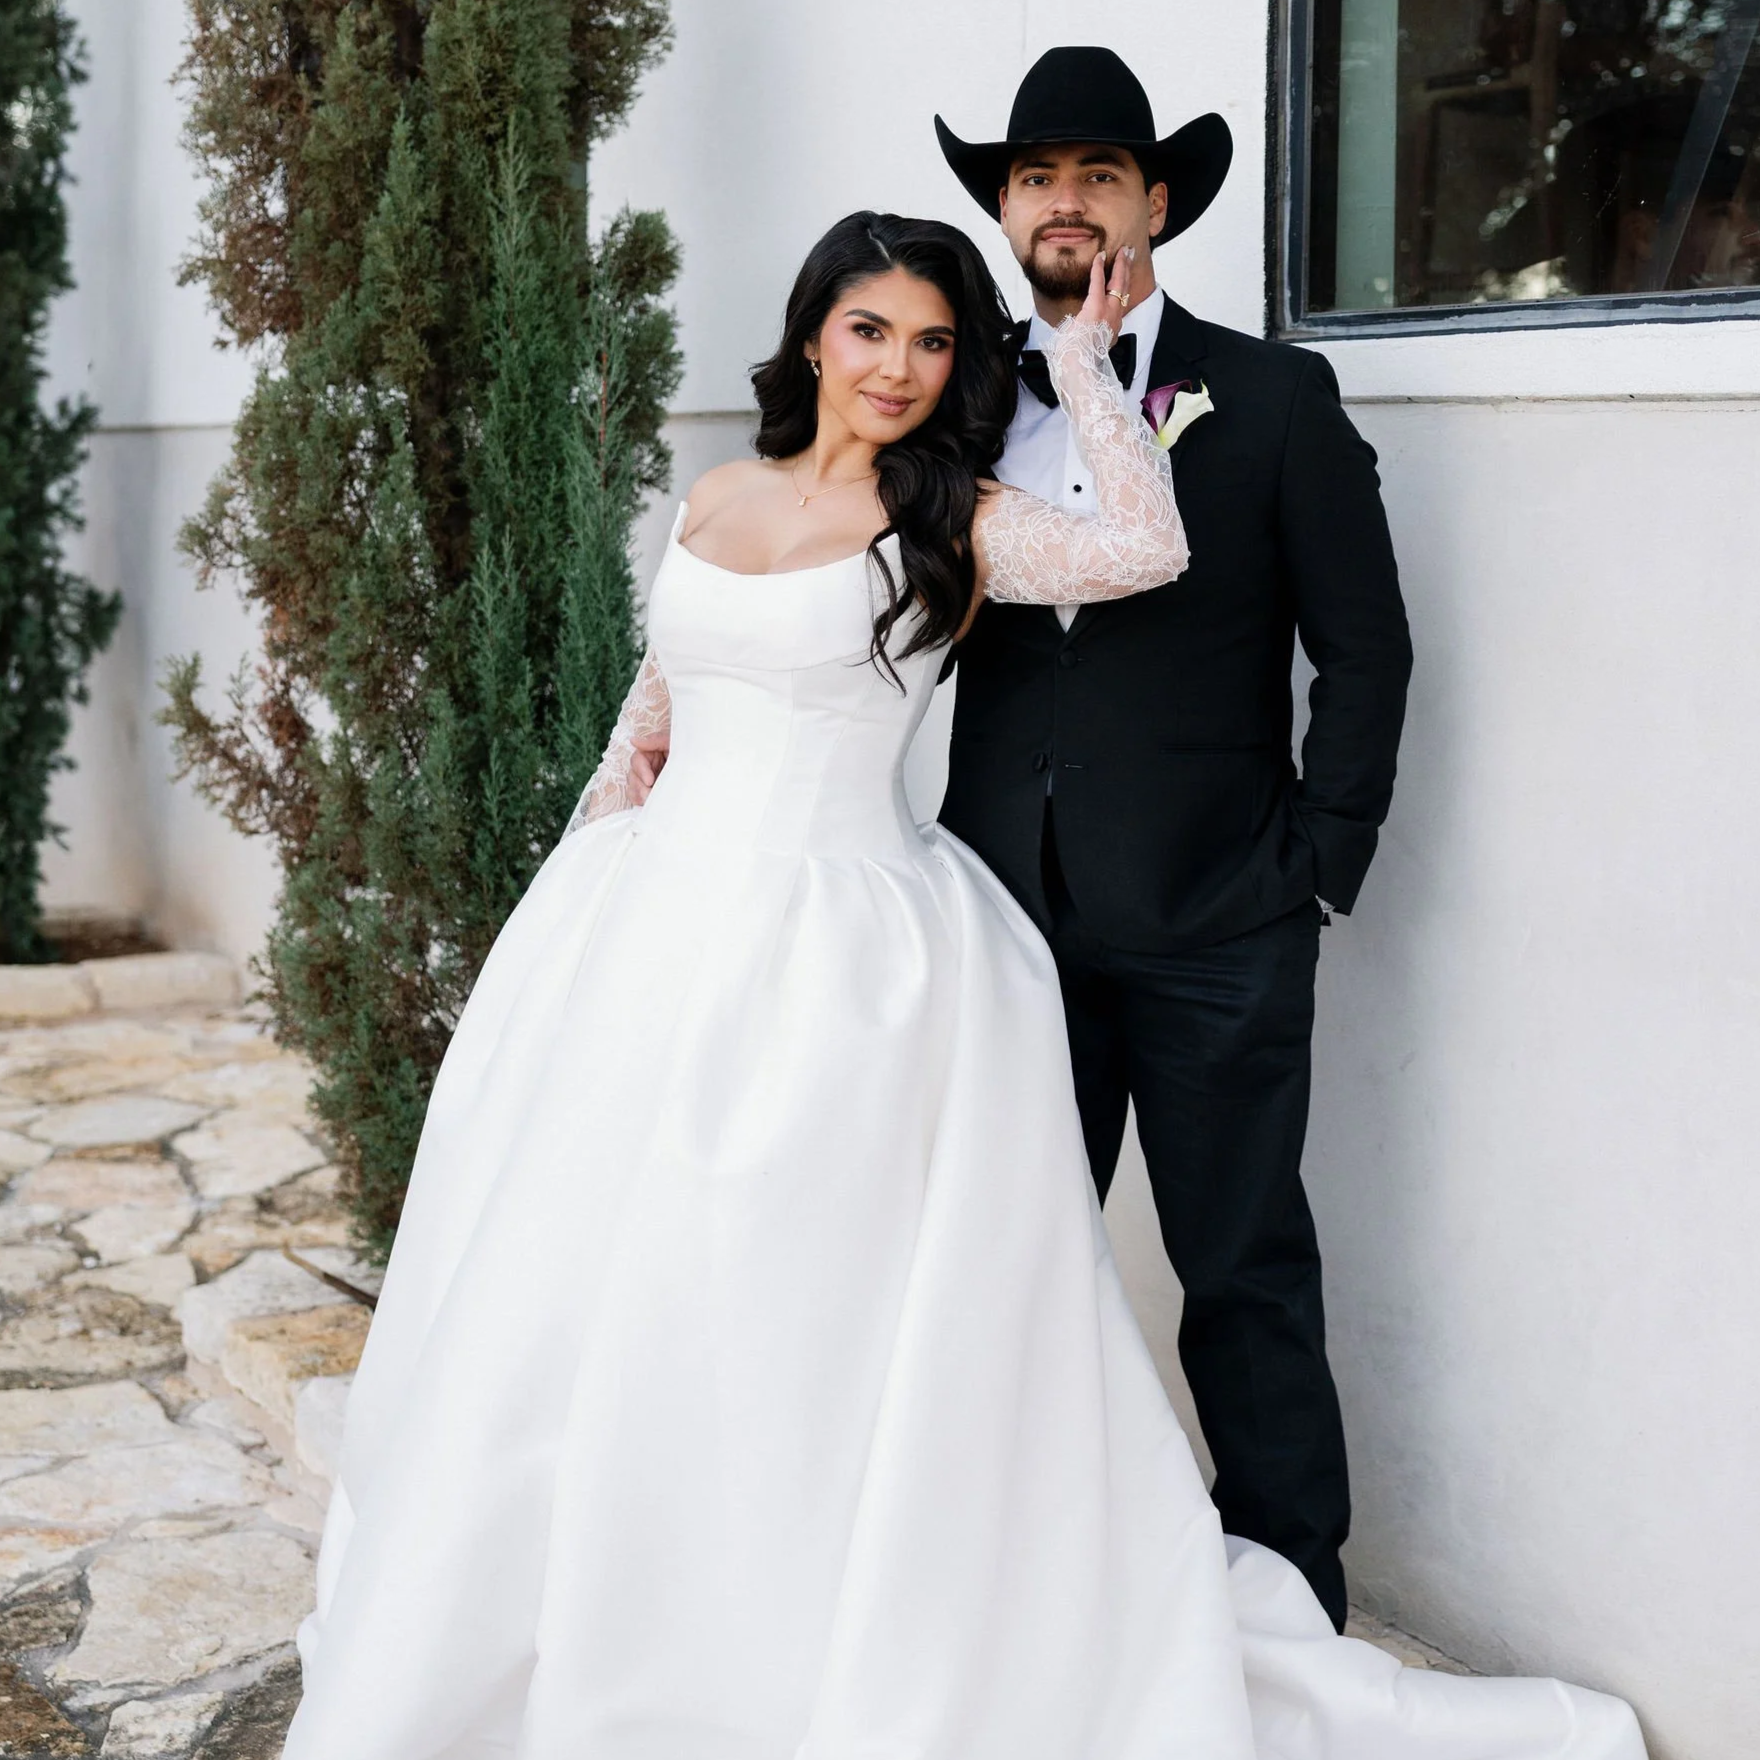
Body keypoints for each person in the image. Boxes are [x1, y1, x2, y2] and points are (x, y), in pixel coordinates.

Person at [281, 212, 1643, 1759]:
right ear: (813, 336)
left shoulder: (957, 522)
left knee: (795, 1308)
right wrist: (584, 880)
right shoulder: (714, 494)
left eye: (935, 342)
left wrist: (1076, 354)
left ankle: (811, 1626)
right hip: (649, 933)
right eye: (871, 332)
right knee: (590, 1300)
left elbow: (1149, 547)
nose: (902, 368)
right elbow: (654, 709)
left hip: (842, 957)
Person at [936, 45, 1413, 1629]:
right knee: (1003, 1277)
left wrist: (1315, 867)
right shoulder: (959, 394)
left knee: (1245, 1276)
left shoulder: (1271, 393)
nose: (1060, 199)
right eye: (1030, 175)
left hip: (1222, 921)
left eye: (1093, 171)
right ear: (1006, 211)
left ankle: (1290, 1617)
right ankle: (1025, 1608)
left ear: (1155, 200)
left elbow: (1366, 648)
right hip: (1002, 919)